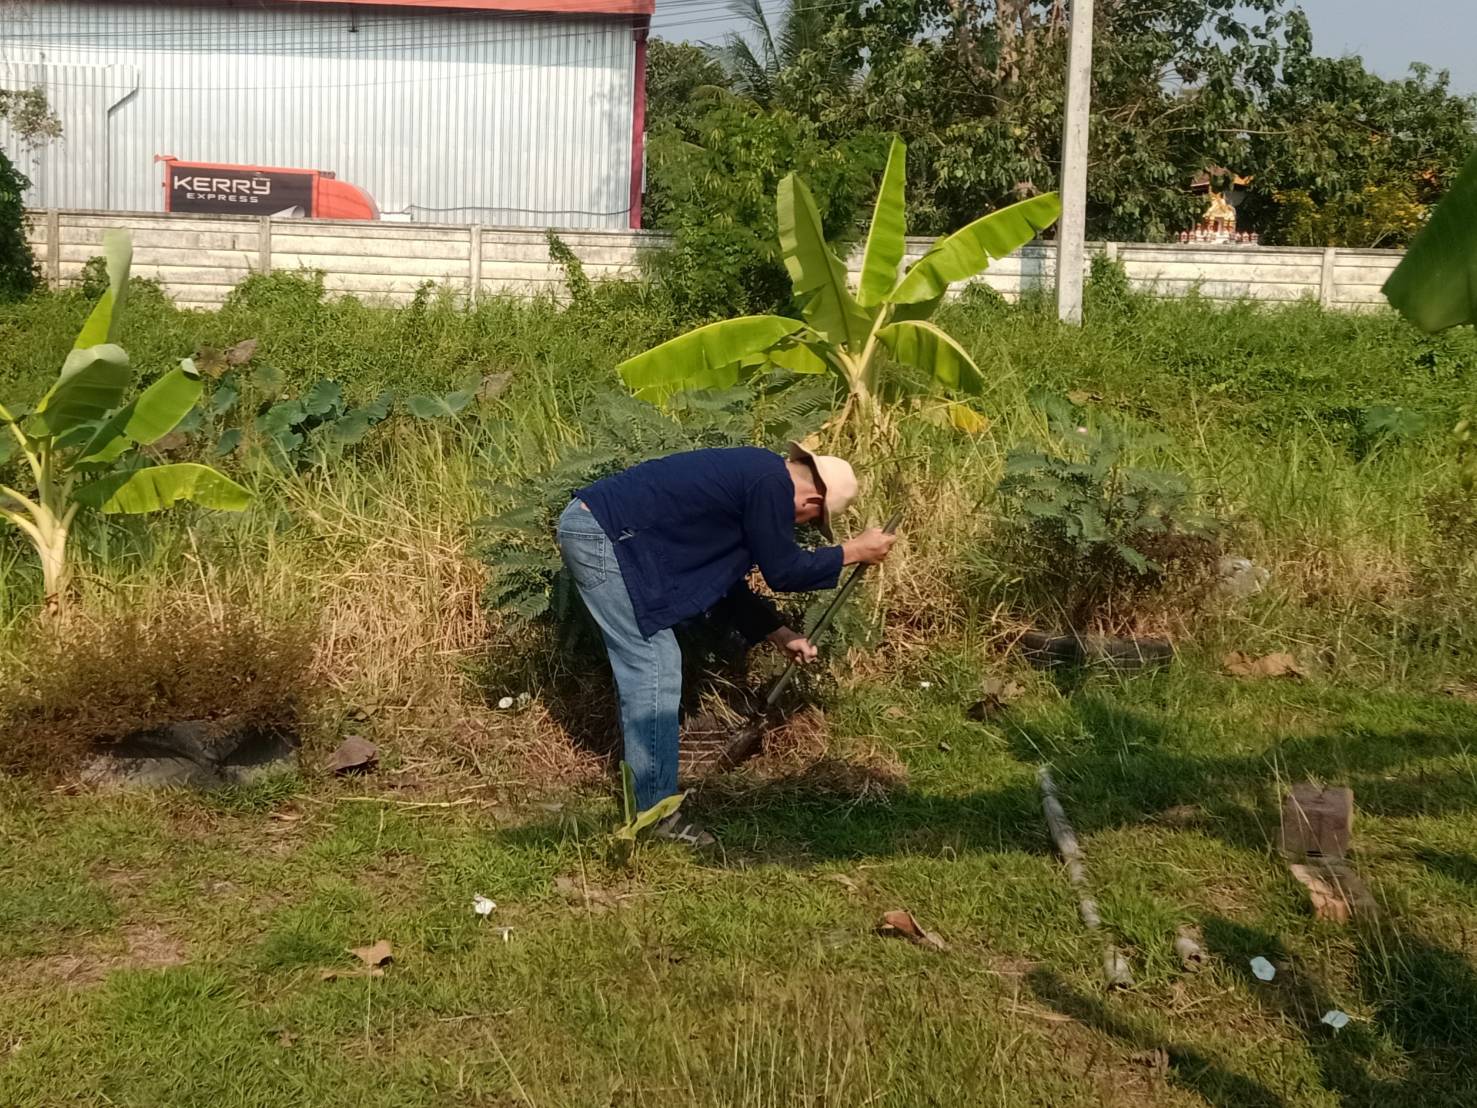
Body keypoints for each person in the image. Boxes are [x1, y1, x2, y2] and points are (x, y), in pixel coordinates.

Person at [556, 443, 895, 846]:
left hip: (600, 532)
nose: (798, 526)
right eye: (808, 520)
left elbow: (725, 585)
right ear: (812, 500)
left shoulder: (756, 477)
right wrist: (854, 551)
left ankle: (652, 807)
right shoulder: (770, 482)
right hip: (604, 537)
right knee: (653, 666)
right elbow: (785, 572)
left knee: (653, 664)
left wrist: (779, 633)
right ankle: (654, 817)